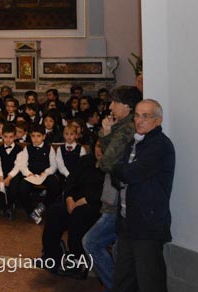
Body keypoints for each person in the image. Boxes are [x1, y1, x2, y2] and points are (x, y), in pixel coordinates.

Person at [81, 85, 143, 290]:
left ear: (126, 106)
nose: (110, 106)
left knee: (91, 242)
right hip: (118, 197)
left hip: (118, 199)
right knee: (118, 250)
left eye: (114, 102)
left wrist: (107, 135)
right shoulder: (123, 125)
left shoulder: (127, 129)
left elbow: (107, 163)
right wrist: (107, 133)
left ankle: (115, 286)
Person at [111, 99, 174, 292]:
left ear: (158, 120)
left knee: (150, 282)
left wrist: (122, 172)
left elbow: (129, 173)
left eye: (145, 116)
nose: (139, 120)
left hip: (148, 224)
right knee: (123, 281)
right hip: (127, 222)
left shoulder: (160, 146)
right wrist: (121, 172)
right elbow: (115, 172)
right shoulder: (134, 142)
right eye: (137, 115)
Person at [42, 140, 104, 279]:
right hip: (74, 201)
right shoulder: (85, 160)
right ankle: (51, 256)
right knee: (55, 211)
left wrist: (86, 200)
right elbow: (71, 180)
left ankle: (77, 261)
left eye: (104, 147)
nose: (100, 150)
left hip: (96, 205)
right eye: (98, 146)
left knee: (80, 214)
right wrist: (69, 197)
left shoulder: (112, 165)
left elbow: (106, 191)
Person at [17, 124, 60, 224]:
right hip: (31, 175)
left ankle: (41, 207)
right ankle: (31, 212)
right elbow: (22, 165)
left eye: (38, 136)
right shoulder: (27, 148)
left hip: (44, 174)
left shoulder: (49, 148)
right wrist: (28, 173)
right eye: (33, 136)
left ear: (44, 136)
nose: (35, 139)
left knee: (55, 187)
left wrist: (46, 172)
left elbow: (54, 165)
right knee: (21, 189)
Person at [0, 123, 25, 220]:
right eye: (6, 137)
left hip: (14, 173)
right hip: (1, 172)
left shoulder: (19, 149)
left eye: (11, 137)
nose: (8, 139)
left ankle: (9, 205)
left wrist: (8, 178)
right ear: (2, 136)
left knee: (13, 189)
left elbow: (18, 166)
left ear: (15, 137)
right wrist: (0, 178)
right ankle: (3, 206)